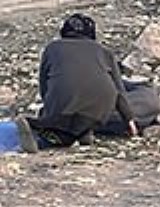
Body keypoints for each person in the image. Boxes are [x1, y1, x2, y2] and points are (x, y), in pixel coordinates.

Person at [26, 14, 139, 148]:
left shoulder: (52, 48)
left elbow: (44, 87)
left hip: (62, 109)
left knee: (54, 120)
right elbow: (119, 91)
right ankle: (83, 133)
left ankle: (42, 130)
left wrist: (49, 110)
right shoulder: (104, 51)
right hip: (98, 112)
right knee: (86, 117)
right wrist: (130, 121)